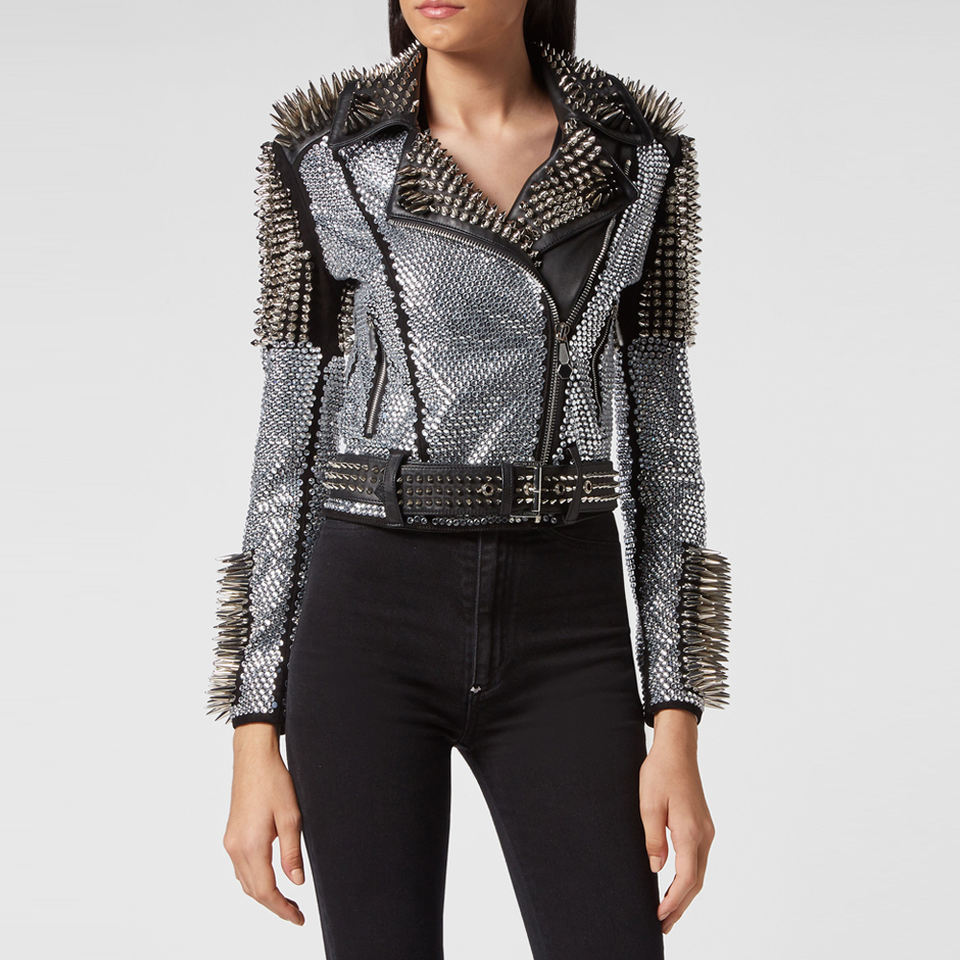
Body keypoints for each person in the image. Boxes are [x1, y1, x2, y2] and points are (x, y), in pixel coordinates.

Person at [207, 1, 732, 956]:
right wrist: (253, 728)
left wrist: (677, 723)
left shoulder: (640, 155)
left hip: (566, 620)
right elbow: (287, 443)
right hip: (366, 618)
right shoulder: (325, 153)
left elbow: (666, 453)